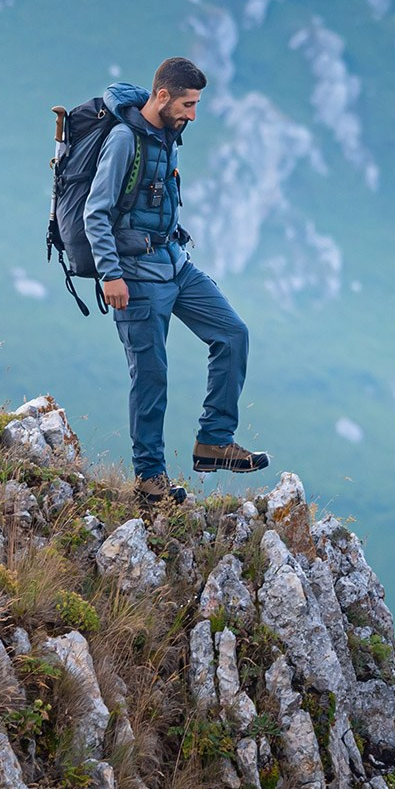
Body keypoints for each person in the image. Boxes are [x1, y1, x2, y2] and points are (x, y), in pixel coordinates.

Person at [82, 56, 268, 504]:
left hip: (175, 264)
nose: (192, 114)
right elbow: (96, 212)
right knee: (151, 375)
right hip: (135, 276)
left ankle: (214, 442)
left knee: (232, 333)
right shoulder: (125, 141)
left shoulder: (169, 137)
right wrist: (110, 274)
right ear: (161, 96)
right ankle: (149, 478)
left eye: (196, 104)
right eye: (187, 103)